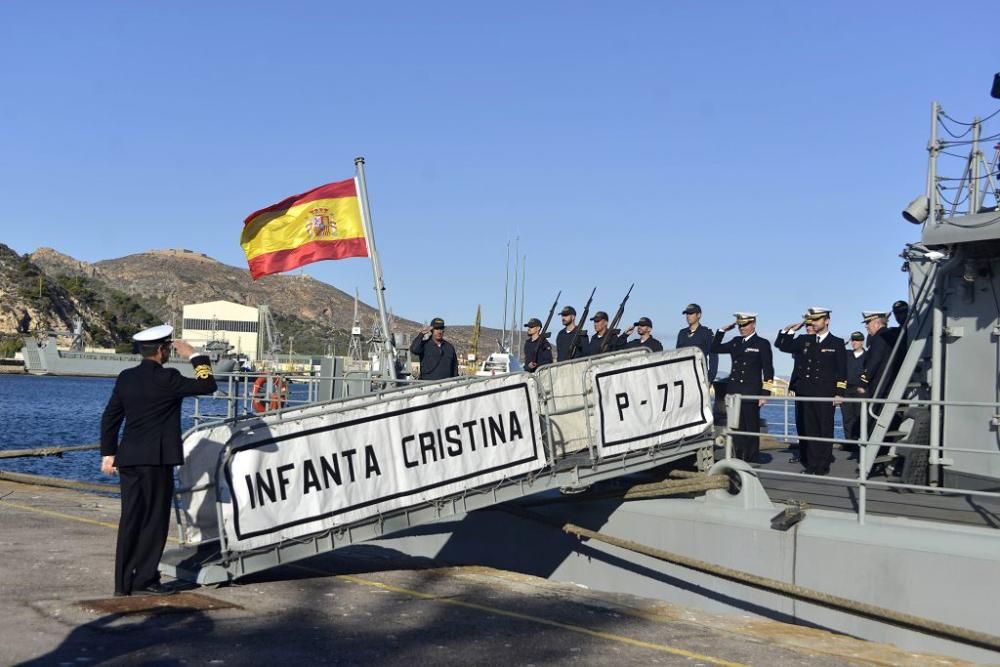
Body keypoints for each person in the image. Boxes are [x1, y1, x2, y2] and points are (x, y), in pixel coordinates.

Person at [100, 324, 217, 597]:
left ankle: (122, 584)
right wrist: (194, 355)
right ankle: (145, 579)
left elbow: (110, 417)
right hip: (157, 460)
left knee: (130, 519)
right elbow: (207, 384)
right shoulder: (169, 378)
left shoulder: (125, 377)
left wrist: (109, 454)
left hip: (128, 459)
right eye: (168, 349)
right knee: (154, 521)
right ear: (163, 350)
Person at [774, 308, 847, 475]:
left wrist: (839, 392)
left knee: (824, 429)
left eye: (817, 319)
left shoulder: (836, 343)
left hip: (825, 392)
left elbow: (842, 370)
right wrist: (789, 330)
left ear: (827, 321)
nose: (813, 322)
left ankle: (823, 465)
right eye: (812, 320)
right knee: (810, 429)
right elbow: (782, 345)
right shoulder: (804, 339)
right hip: (806, 392)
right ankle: (812, 465)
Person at [711, 312, 774, 464]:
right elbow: (714, 348)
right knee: (737, 429)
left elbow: (768, 370)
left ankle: (752, 458)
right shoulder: (735, 342)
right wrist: (721, 331)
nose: (742, 328)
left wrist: (765, 394)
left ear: (753, 324)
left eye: (745, 325)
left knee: (751, 428)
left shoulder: (762, 343)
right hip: (734, 392)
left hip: (752, 392)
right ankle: (739, 458)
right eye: (739, 325)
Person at [775, 313, 814, 466]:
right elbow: (780, 344)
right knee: (801, 423)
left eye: (811, 324)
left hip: (816, 389)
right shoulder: (801, 340)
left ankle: (815, 456)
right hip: (800, 388)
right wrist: (790, 330)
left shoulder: (822, 342)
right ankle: (804, 454)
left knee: (815, 425)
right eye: (807, 325)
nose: (809, 327)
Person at [676, 304, 718, 381]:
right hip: (683, 376)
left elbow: (713, 355)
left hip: (700, 376)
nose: (688, 316)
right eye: (687, 314)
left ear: (698, 315)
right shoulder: (682, 333)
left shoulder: (706, 332)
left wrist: (710, 377)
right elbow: (677, 355)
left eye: (691, 313)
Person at [842, 331, 867, 458]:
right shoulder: (847, 355)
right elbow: (838, 349)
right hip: (847, 389)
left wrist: (864, 386)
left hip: (860, 390)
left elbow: (870, 372)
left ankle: (859, 443)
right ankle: (849, 443)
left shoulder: (867, 356)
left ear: (862, 341)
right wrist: (845, 342)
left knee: (859, 417)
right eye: (853, 340)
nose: (854, 343)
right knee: (847, 417)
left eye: (857, 340)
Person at [859, 311, 892, 402]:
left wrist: (863, 383)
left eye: (867, 323)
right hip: (885, 384)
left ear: (877, 323)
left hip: (879, 386)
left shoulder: (879, 337)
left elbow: (874, 361)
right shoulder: (886, 335)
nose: (866, 326)